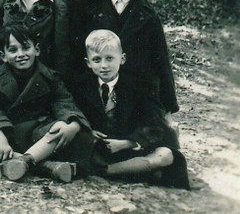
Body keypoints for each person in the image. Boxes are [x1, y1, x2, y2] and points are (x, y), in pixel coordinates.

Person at [71, 30, 189, 188]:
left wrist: (127, 143)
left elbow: (155, 123)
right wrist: (88, 132)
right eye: (97, 60)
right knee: (76, 144)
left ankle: (107, 171)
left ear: (122, 59)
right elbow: (75, 113)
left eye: (109, 58)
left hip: (130, 146)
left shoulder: (139, 86)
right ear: (88, 62)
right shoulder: (81, 86)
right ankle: (125, 170)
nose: (104, 65)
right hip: (98, 147)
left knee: (165, 155)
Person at [0, 25, 94, 183]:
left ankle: (23, 162)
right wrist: (1, 139)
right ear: (3, 56)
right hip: (9, 135)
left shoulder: (49, 77)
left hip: (39, 134)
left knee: (66, 129)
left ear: (37, 50)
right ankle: (46, 166)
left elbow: (64, 102)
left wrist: (73, 124)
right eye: (13, 50)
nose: (21, 54)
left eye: (26, 48)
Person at [69, 0, 178, 115]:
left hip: (136, 92)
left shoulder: (147, 14)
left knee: (151, 128)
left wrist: (168, 105)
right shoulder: (86, 7)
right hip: (92, 89)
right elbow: (74, 56)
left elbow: (160, 59)